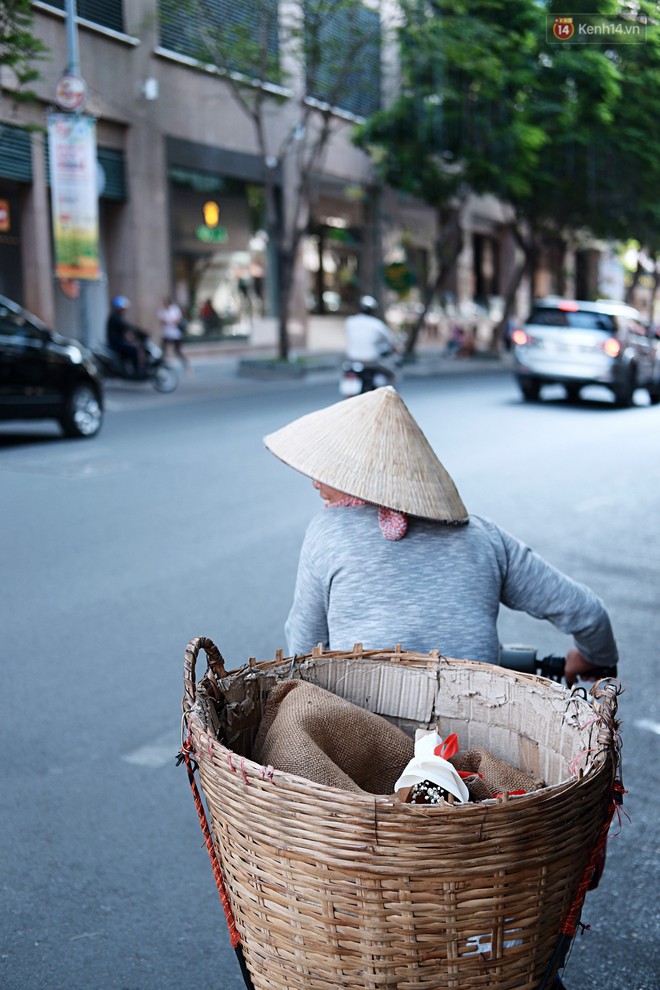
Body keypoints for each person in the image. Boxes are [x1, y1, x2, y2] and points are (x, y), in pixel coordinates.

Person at [263, 387, 618, 686]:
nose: (315, 482)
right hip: (475, 747)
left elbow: (304, 650)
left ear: (358, 478)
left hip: (364, 744)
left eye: (329, 470)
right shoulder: (485, 538)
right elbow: (589, 614)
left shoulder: (327, 531)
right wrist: (586, 658)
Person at [344, 295, 399, 365]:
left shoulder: (349, 321)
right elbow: (390, 339)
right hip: (371, 360)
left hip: (352, 358)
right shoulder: (377, 324)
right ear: (373, 310)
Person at [106, 295, 145, 377]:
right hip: (116, 342)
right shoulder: (115, 317)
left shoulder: (117, 316)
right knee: (133, 349)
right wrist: (138, 331)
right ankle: (136, 371)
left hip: (118, 340)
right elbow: (125, 326)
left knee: (132, 345)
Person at [157, 296, 189, 370]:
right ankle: (161, 366)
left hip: (175, 334)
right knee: (163, 350)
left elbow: (177, 321)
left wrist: (168, 320)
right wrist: (169, 320)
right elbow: (161, 322)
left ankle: (186, 365)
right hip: (167, 333)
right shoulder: (162, 310)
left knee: (177, 351)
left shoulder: (174, 309)